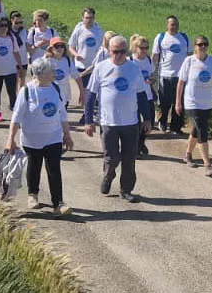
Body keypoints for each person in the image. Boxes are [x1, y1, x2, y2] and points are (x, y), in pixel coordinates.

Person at [6, 57, 74, 215]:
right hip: (32, 139)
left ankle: (58, 204)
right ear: (40, 73)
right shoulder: (27, 91)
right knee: (34, 166)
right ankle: (33, 195)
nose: (54, 74)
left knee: (54, 169)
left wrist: (67, 135)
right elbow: (16, 117)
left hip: (53, 137)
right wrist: (11, 139)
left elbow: (62, 114)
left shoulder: (56, 89)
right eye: (51, 71)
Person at [83, 35, 145, 203]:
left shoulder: (133, 68)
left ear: (127, 51)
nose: (118, 55)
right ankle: (108, 175)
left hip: (130, 122)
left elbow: (141, 94)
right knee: (112, 157)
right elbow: (91, 96)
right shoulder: (101, 68)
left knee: (129, 158)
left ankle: (126, 190)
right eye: (115, 51)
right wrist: (88, 121)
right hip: (108, 121)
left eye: (122, 51)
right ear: (109, 51)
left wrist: (147, 118)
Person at [175, 35, 212, 176]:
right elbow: (180, 83)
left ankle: (187, 154)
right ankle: (207, 165)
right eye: (200, 44)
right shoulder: (189, 61)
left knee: (197, 130)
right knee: (202, 130)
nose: (203, 47)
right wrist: (178, 102)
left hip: (207, 102)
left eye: (205, 44)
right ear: (195, 47)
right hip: (192, 102)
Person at [152, 15, 191, 133]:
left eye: (176, 24)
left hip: (181, 76)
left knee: (178, 102)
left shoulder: (184, 38)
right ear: (167, 25)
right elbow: (155, 56)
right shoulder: (161, 38)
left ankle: (176, 126)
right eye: (172, 24)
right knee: (164, 101)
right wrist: (151, 72)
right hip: (165, 74)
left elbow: (189, 56)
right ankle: (162, 122)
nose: (174, 26)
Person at [130, 34, 156, 156]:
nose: (144, 50)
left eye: (146, 48)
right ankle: (134, 147)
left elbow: (152, 75)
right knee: (136, 124)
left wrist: (151, 80)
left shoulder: (148, 60)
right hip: (134, 97)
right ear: (135, 48)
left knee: (149, 122)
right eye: (142, 48)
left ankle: (141, 142)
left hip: (148, 95)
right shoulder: (130, 61)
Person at [44, 38, 84, 109]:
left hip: (64, 96)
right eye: (56, 46)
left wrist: (81, 92)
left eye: (62, 46)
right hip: (49, 96)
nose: (59, 48)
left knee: (62, 119)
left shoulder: (67, 60)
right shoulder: (46, 61)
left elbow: (77, 77)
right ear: (51, 48)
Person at [69, 7, 106, 76]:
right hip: (80, 66)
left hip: (95, 66)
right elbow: (71, 47)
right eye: (87, 18)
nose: (89, 20)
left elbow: (104, 48)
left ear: (94, 18)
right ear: (82, 18)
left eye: (91, 18)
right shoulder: (78, 30)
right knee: (82, 87)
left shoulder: (99, 31)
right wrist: (76, 55)